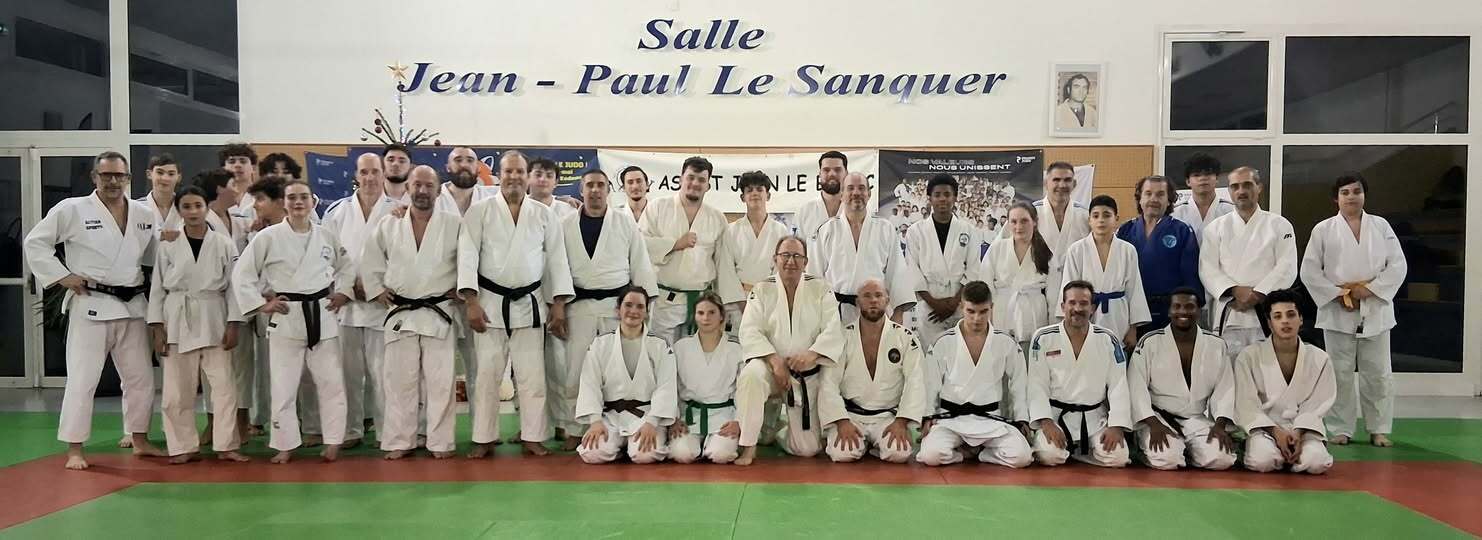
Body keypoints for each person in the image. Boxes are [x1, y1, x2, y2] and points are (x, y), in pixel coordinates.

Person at [23, 151, 166, 469]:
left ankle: (139, 438)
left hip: (132, 306)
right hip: (91, 303)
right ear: (94, 177)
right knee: (82, 380)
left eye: (119, 176)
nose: (113, 181)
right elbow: (35, 242)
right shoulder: (72, 209)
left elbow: (156, 258)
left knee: (141, 379)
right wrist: (62, 276)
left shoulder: (144, 214)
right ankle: (75, 448)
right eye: (106, 175)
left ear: (128, 178)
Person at [459, 150, 574, 458]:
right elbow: (467, 256)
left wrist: (558, 303)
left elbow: (557, 260)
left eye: (519, 171)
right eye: (508, 171)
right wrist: (471, 301)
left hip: (530, 304)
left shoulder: (544, 214)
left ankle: (533, 436)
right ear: (499, 175)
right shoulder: (479, 212)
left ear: (526, 176)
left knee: (532, 376)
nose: (513, 177)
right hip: (489, 303)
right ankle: (484, 438)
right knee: (487, 375)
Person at [232, 179, 354, 464]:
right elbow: (242, 274)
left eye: (303, 197)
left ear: (313, 202)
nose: (298, 202)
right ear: (283, 203)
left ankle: (333, 441)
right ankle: (285, 445)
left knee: (331, 383)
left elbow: (346, 267)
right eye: (292, 198)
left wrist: (343, 293)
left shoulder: (326, 235)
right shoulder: (268, 237)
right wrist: (261, 304)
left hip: (322, 314)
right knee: (283, 386)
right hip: (287, 316)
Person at [360, 166, 462, 460]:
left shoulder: (454, 223)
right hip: (401, 312)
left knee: (440, 382)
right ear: (407, 188)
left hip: (438, 311)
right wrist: (376, 290)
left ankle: (440, 442)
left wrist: (462, 287)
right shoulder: (389, 224)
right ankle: (400, 440)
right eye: (417, 184)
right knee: (398, 381)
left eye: (429, 185)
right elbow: (370, 259)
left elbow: (468, 257)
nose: (422, 190)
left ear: (439, 190)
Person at [551, 169, 658, 450]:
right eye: (590, 185)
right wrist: (558, 305)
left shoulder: (624, 223)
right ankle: (575, 427)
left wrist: (645, 307)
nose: (595, 190)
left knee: (615, 371)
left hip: (616, 308)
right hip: (579, 306)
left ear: (608, 190)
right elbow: (557, 266)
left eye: (600, 185)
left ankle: (617, 425)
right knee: (575, 371)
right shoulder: (565, 224)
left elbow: (640, 265)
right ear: (581, 190)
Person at [1300, 173, 1407, 448]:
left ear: (1364, 195)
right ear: (1336, 198)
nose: (1351, 196)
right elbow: (1309, 271)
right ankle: (1340, 428)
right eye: (1345, 192)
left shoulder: (1381, 226)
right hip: (1338, 309)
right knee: (1339, 373)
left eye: (1356, 191)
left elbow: (1398, 265)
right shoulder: (1323, 229)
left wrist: (1370, 290)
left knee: (1378, 373)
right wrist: (1339, 294)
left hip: (1375, 307)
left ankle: (1378, 428)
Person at [146, 186, 250, 464]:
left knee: (225, 387)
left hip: (215, 316)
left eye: (198, 206)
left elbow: (234, 287)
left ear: (206, 208)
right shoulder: (168, 244)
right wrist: (157, 328)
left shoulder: (224, 243)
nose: (193, 212)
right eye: (187, 207)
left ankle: (226, 445)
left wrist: (234, 323)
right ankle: (182, 446)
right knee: (176, 389)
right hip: (177, 317)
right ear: (179, 210)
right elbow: (157, 288)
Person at [733, 236, 846, 465]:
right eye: (785, 255)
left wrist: (812, 354)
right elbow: (750, 330)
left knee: (807, 449)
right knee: (751, 375)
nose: (790, 261)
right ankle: (748, 446)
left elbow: (833, 329)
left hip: (804, 374)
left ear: (806, 262)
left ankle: (778, 429)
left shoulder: (820, 288)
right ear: (775, 259)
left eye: (797, 256)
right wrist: (774, 361)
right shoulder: (762, 289)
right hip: (770, 369)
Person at [322, 153, 402, 448]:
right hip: (346, 304)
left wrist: (373, 286)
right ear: (356, 175)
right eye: (364, 172)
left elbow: (401, 256)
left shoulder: (397, 211)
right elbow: (325, 254)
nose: (369, 178)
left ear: (383, 174)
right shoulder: (337, 211)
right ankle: (351, 430)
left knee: (384, 373)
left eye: (375, 172)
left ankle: (386, 431)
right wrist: (344, 287)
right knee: (347, 374)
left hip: (382, 303)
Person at [916, 281, 1033, 468]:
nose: (977, 318)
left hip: (990, 419)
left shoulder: (1006, 342)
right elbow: (931, 384)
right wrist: (928, 415)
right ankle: (963, 454)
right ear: (961, 307)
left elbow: (1018, 384)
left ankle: (982, 454)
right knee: (931, 456)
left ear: (991, 308)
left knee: (1022, 457)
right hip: (951, 419)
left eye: (983, 311)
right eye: (971, 311)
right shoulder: (943, 341)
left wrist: (1021, 418)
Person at [1126, 287, 1237, 470]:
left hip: (1196, 419)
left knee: (1222, 459)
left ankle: (1189, 451)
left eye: (1190, 306)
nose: (1183, 311)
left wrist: (1219, 424)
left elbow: (1225, 388)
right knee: (1167, 459)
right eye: (1177, 306)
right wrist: (1153, 424)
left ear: (1199, 311)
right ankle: (1164, 449)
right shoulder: (1149, 342)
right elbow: (1136, 387)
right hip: (1158, 418)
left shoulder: (1216, 345)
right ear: (1169, 311)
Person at [1026, 280, 1132, 467]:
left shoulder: (1108, 339)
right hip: (1056, 416)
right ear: (1062, 306)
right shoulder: (1043, 337)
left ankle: (1077, 452)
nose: (1077, 308)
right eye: (1072, 303)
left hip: (1094, 418)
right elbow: (1036, 384)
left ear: (1092, 308)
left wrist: (1116, 424)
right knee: (1050, 456)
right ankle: (1071, 450)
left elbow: (1118, 384)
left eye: (1083, 303)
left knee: (1119, 457)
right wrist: (1046, 422)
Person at [817, 280, 925, 463]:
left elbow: (915, 381)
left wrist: (901, 421)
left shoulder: (905, 337)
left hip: (887, 417)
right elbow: (828, 382)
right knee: (842, 454)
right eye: (867, 296)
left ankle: (873, 445)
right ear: (858, 302)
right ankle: (867, 444)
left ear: (887, 300)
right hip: (851, 415)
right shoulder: (842, 336)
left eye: (878, 295)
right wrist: (841, 421)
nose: (873, 300)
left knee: (899, 454)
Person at [638, 156, 741, 344]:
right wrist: (675, 244)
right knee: (661, 353)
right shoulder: (658, 207)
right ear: (680, 179)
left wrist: (727, 305)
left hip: (702, 304)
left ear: (708, 186)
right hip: (664, 301)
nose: (695, 183)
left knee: (697, 356)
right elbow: (640, 245)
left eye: (701, 180)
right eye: (691, 177)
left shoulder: (717, 218)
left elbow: (723, 265)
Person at [1199, 167, 1297, 361]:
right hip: (1230, 312)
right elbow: (1207, 268)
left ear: (1259, 187)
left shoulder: (1279, 225)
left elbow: (1287, 266)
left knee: (1267, 372)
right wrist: (1234, 290)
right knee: (1228, 372)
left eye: (1247, 185)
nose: (1241, 191)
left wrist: (1258, 293)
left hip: (1267, 312)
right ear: (1229, 191)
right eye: (1235, 186)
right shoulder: (1215, 228)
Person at [1235, 289, 1337, 475]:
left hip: (1303, 428)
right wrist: (1277, 432)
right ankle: (1253, 448)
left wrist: (1297, 433)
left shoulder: (1320, 358)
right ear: (1269, 323)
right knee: (1262, 462)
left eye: (1291, 315)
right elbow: (1246, 404)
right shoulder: (1249, 356)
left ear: (1301, 319)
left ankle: (1294, 452)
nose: (1285, 321)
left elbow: (1318, 403)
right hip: (1265, 427)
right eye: (1278, 316)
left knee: (1316, 463)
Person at [195, 169, 262, 444]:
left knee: (243, 365)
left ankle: (242, 421)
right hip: (212, 300)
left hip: (242, 299)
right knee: (213, 367)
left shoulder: (240, 220)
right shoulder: (202, 222)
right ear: (219, 190)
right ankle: (214, 422)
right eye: (233, 184)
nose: (238, 189)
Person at [575, 286, 678, 464]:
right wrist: (595, 421)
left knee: (644, 455)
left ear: (647, 312)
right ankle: (620, 447)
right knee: (592, 454)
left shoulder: (660, 344)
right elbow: (589, 383)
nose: (633, 311)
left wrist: (652, 422)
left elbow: (666, 386)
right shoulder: (600, 344)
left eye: (640, 306)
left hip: (645, 415)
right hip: (611, 416)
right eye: (628, 305)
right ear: (618, 309)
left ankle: (629, 446)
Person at [809, 172, 912, 324]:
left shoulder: (885, 228)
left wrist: (898, 313)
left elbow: (897, 272)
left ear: (869, 194)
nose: (856, 193)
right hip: (835, 313)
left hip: (875, 311)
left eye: (861, 188)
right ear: (842, 195)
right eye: (850, 188)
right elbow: (814, 276)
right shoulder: (826, 230)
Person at [436, 146, 494, 403]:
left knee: (480, 371)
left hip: (480, 296)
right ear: (448, 167)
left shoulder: (491, 196)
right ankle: (436, 427)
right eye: (457, 160)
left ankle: (482, 427)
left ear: (477, 167)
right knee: (439, 374)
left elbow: (528, 196)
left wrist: (565, 199)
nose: (464, 164)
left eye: (470, 160)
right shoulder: (433, 197)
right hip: (441, 296)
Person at [1059, 195, 1150, 350]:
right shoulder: (1076, 250)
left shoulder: (1127, 250)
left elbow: (1134, 290)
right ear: (1089, 220)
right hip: (1086, 314)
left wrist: (1133, 328)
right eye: (1095, 216)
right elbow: (1069, 289)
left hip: (1118, 316)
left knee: (1116, 356)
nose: (1101, 220)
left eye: (1107, 215)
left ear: (1116, 219)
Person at [905, 174, 983, 347]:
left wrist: (954, 302)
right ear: (929, 199)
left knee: (960, 353)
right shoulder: (915, 232)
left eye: (947, 194)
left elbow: (973, 269)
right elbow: (912, 270)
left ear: (955, 198)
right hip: (929, 306)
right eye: (937, 195)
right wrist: (934, 303)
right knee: (931, 353)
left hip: (960, 303)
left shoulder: (969, 230)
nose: (942, 199)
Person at [1116, 175, 1201, 335]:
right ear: (1139, 198)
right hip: (1131, 312)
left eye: (1160, 194)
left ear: (1169, 200)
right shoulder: (1125, 230)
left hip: (1171, 311)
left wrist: (1189, 310)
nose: (1153, 199)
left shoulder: (1182, 231)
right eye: (1148, 193)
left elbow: (1190, 276)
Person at [669, 294, 745, 464]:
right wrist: (673, 418)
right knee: (682, 454)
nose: (705, 318)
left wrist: (738, 421)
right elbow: (670, 386)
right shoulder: (681, 347)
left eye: (711, 312)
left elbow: (742, 390)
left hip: (724, 417)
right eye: (700, 313)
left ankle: (713, 445)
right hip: (689, 416)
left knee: (720, 455)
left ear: (721, 316)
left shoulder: (736, 349)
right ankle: (699, 446)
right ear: (694, 316)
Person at [719, 171, 791, 333]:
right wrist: (744, 305)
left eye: (759, 189)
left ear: (768, 195)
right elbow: (726, 271)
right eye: (749, 190)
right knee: (738, 344)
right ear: (742, 197)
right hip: (739, 303)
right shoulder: (731, 231)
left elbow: (783, 269)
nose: (755, 193)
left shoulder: (780, 230)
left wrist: (767, 300)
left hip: (771, 301)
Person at [979, 202, 1056, 352]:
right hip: (1002, 310)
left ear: (1035, 222)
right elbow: (985, 284)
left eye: (1024, 221)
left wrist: (1052, 329)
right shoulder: (997, 248)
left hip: (1033, 312)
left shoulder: (1045, 252)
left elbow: (1053, 295)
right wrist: (986, 319)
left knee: (1030, 358)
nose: (1018, 226)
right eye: (1013, 221)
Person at [1005, 162, 1089, 280]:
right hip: (1035, 283)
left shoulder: (1086, 216)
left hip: (1075, 283)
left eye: (1067, 180)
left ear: (1074, 184)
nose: (1062, 185)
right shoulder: (1027, 213)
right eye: (1056, 180)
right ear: (1046, 183)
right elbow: (1003, 248)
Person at [1170, 153, 1234, 245]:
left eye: (1208, 174)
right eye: (1196, 175)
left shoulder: (1231, 210)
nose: (1203, 178)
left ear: (1216, 179)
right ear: (1188, 181)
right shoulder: (1175, 213)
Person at [794, 151, 848, 250]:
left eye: (837, 170)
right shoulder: (804, 211)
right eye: (826, 170)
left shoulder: (856, 210)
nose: (832, 174)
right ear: (820, 174)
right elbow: (797, 251)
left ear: (846, 173)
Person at [140, 154, 183, 232]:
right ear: (149, 174)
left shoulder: (187, 207)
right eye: (160, 172)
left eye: (171, 174)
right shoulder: (135, 207)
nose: (165, 178)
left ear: (178, 178)